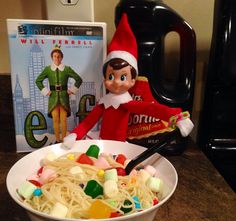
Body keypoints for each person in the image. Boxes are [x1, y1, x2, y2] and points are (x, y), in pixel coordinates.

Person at [63, 14, 193, 148]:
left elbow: (153, 109)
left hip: (120, 148)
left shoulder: (127, 103)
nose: (116, 83)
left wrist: (177, 117)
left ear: (132, 81)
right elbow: (88, 122)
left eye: (123, 77)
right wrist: (75, 135)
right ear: (105, 77)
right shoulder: (103, 103)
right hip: (101, 143)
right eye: (111, 77)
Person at [35, 45, 83, 143]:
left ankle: (64, 139)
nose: (56, 58)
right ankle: (57, 140)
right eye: (54, 56)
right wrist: (46, 91)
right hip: (53, 98)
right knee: (55, 120)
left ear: (61, 57)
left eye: (58, 56)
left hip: (64, 98)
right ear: (52, 57)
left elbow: (78, 79)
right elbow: (38, 81)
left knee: (64, 120)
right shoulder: (48, 69)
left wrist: (72, 90)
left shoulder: (66, 69)